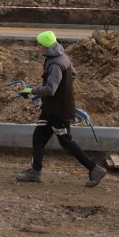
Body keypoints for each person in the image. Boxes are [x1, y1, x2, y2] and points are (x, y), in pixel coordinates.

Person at [16, 31, 106, 187]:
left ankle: (94, 168)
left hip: (58, 111)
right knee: (38, 137)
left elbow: (51, 89)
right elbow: (73, 74)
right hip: (51, 108)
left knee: (66, 142)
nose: (37, 47)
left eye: (39, 44)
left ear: (46, 46)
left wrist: (31, 91)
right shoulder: (62, 57)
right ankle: (35, 171)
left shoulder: (56, 64)